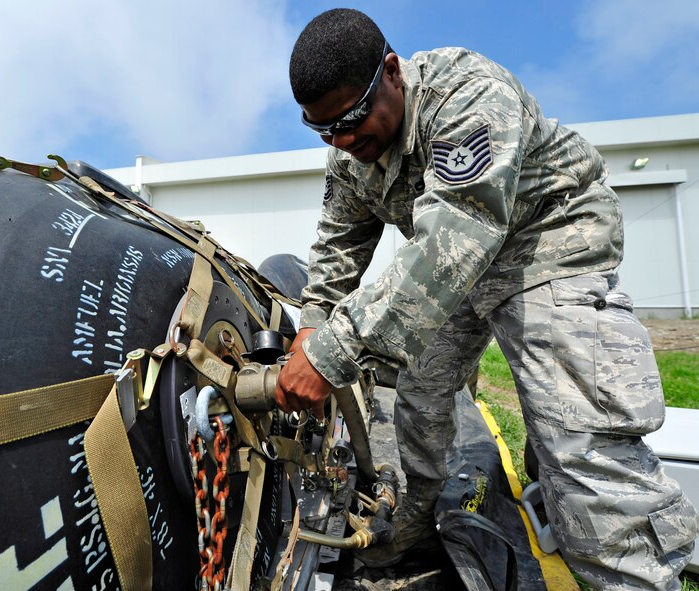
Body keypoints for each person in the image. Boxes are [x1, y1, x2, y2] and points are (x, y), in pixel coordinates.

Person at [274, 8, 698, 590]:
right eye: (324, 130)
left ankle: (633, 577)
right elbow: (338, 250)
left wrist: (331, 354)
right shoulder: (350, 157)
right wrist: (311, 326)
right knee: (419, 403)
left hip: (546, 245)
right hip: (456, 273)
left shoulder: (470, 96)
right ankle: (416, 533)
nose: (343, 141)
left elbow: (461, 229)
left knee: (577, 436)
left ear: (392, 73)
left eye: (351, 118)